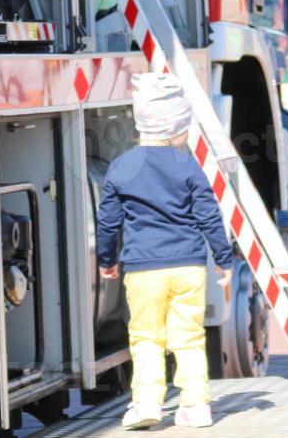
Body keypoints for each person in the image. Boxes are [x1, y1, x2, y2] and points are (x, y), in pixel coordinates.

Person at [97, 73, 234, 430]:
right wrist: (223, 259)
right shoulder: (188, 165)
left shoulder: (122, 167)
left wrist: (107, 261)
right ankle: (196, 405)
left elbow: (109, 223)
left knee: (146, 338)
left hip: (144, 270)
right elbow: (209, 216)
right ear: (175, 128)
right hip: (189, 266)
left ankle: (146, 404)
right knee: (188, 337)